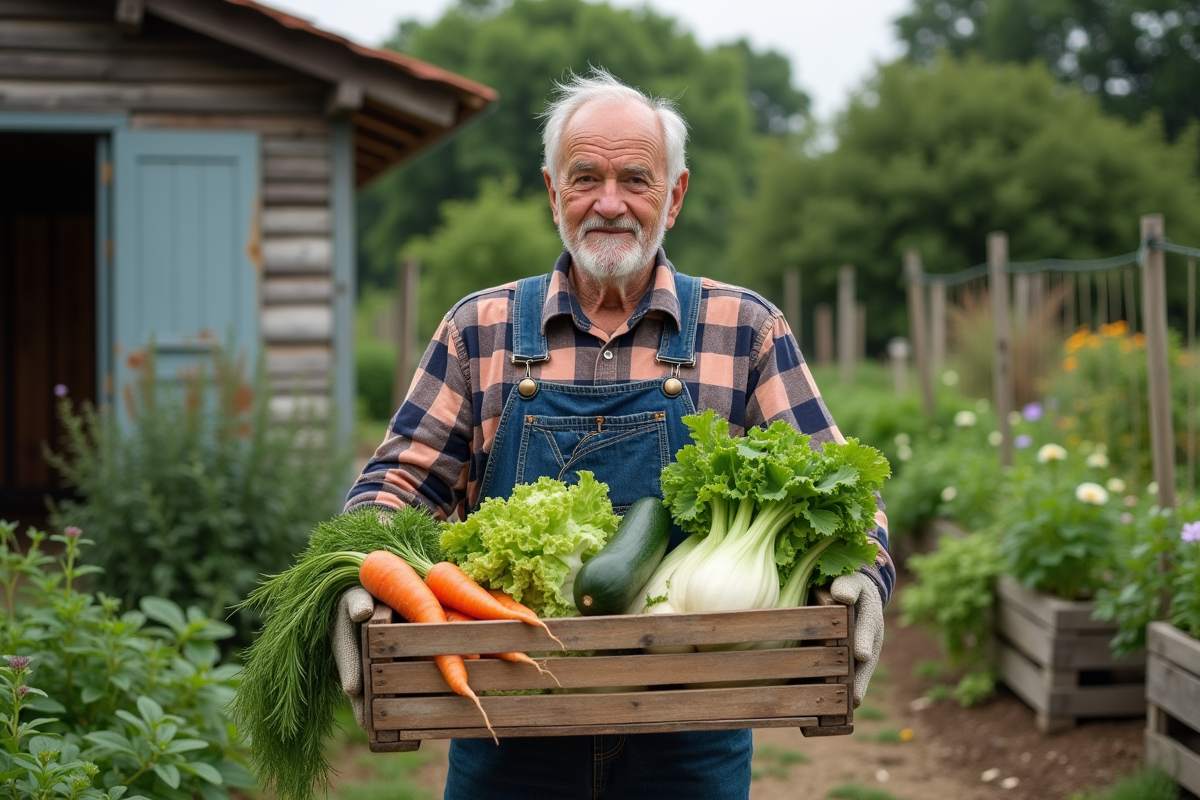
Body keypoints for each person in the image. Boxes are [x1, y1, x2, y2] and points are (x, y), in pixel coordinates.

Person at [332, 68, 894, 800]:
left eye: (635, 178)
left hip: (693, 722)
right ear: (551, 192)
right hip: (506, 716)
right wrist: (360, 571)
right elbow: (397, 483)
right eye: (585, 176)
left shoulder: (745, 328)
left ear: (676, 195)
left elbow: (844, 490)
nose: (609, 203)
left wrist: (865, 573)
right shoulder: (480, 328)